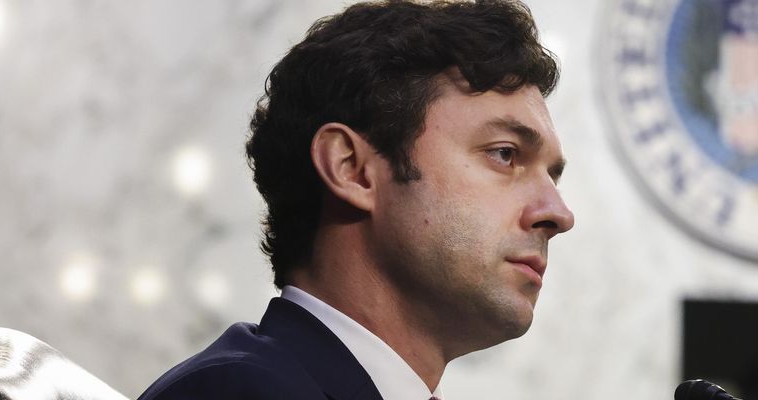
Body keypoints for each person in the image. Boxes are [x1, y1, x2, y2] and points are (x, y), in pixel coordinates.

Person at [138, 1, 573, 399]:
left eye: (552, 176)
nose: (559, 213)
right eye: (505, 154)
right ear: (351, 168)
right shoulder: (239, 392)